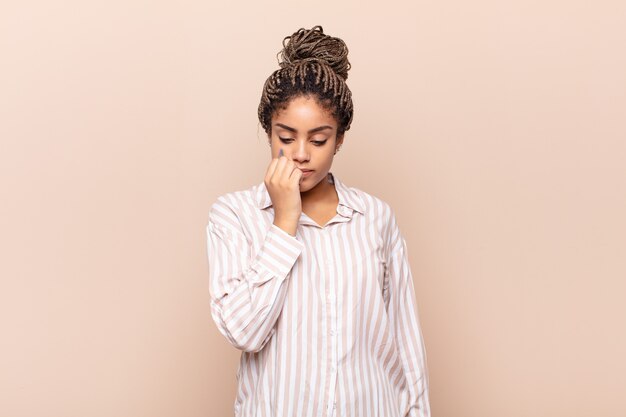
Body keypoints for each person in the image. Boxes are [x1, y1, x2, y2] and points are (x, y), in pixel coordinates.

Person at [206, 25, 430, 417]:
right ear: (268, 132)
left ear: (340, 139)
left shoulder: (375, 217)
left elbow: (405, 342)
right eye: (286, 137)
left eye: (319, 139)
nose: (301, 154)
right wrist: (285, 220)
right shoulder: (234, 216)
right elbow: (245, 332)